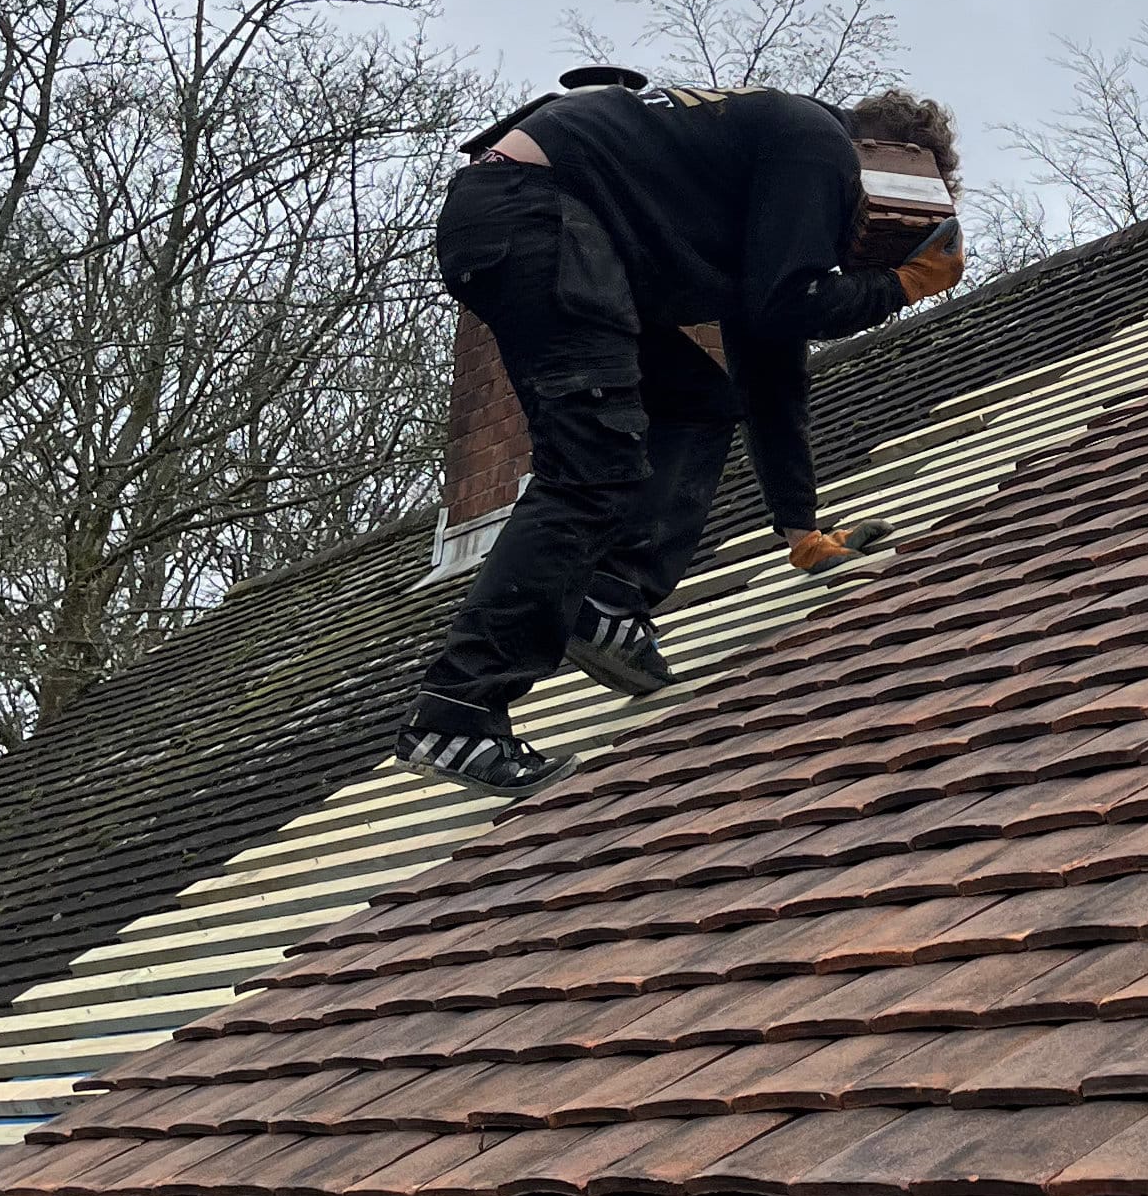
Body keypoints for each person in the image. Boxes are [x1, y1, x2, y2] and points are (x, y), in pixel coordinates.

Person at [396, 71, 965, 792]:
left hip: (541, 219)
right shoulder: (820, 144)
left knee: (699, 402)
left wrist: (799, 527)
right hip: (538, 215)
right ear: (891, 160)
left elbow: (769, 355)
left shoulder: (760, 164)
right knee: (591, 466)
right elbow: (795, 303)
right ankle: (455, 714)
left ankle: (610, 600)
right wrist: (903, 285)